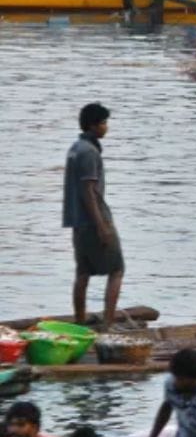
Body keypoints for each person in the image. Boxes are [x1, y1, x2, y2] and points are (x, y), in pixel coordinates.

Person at [63, 102, 123, 331]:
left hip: (79, 222)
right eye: (104, 123)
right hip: (94, 219)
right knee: (117, 270)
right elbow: (88, 190)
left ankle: (80, 321)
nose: (106, 127)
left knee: (83, 272)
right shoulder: (88, 152)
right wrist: (101, 226)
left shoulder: (76, 148)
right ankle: (107, 325)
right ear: (93, 125)